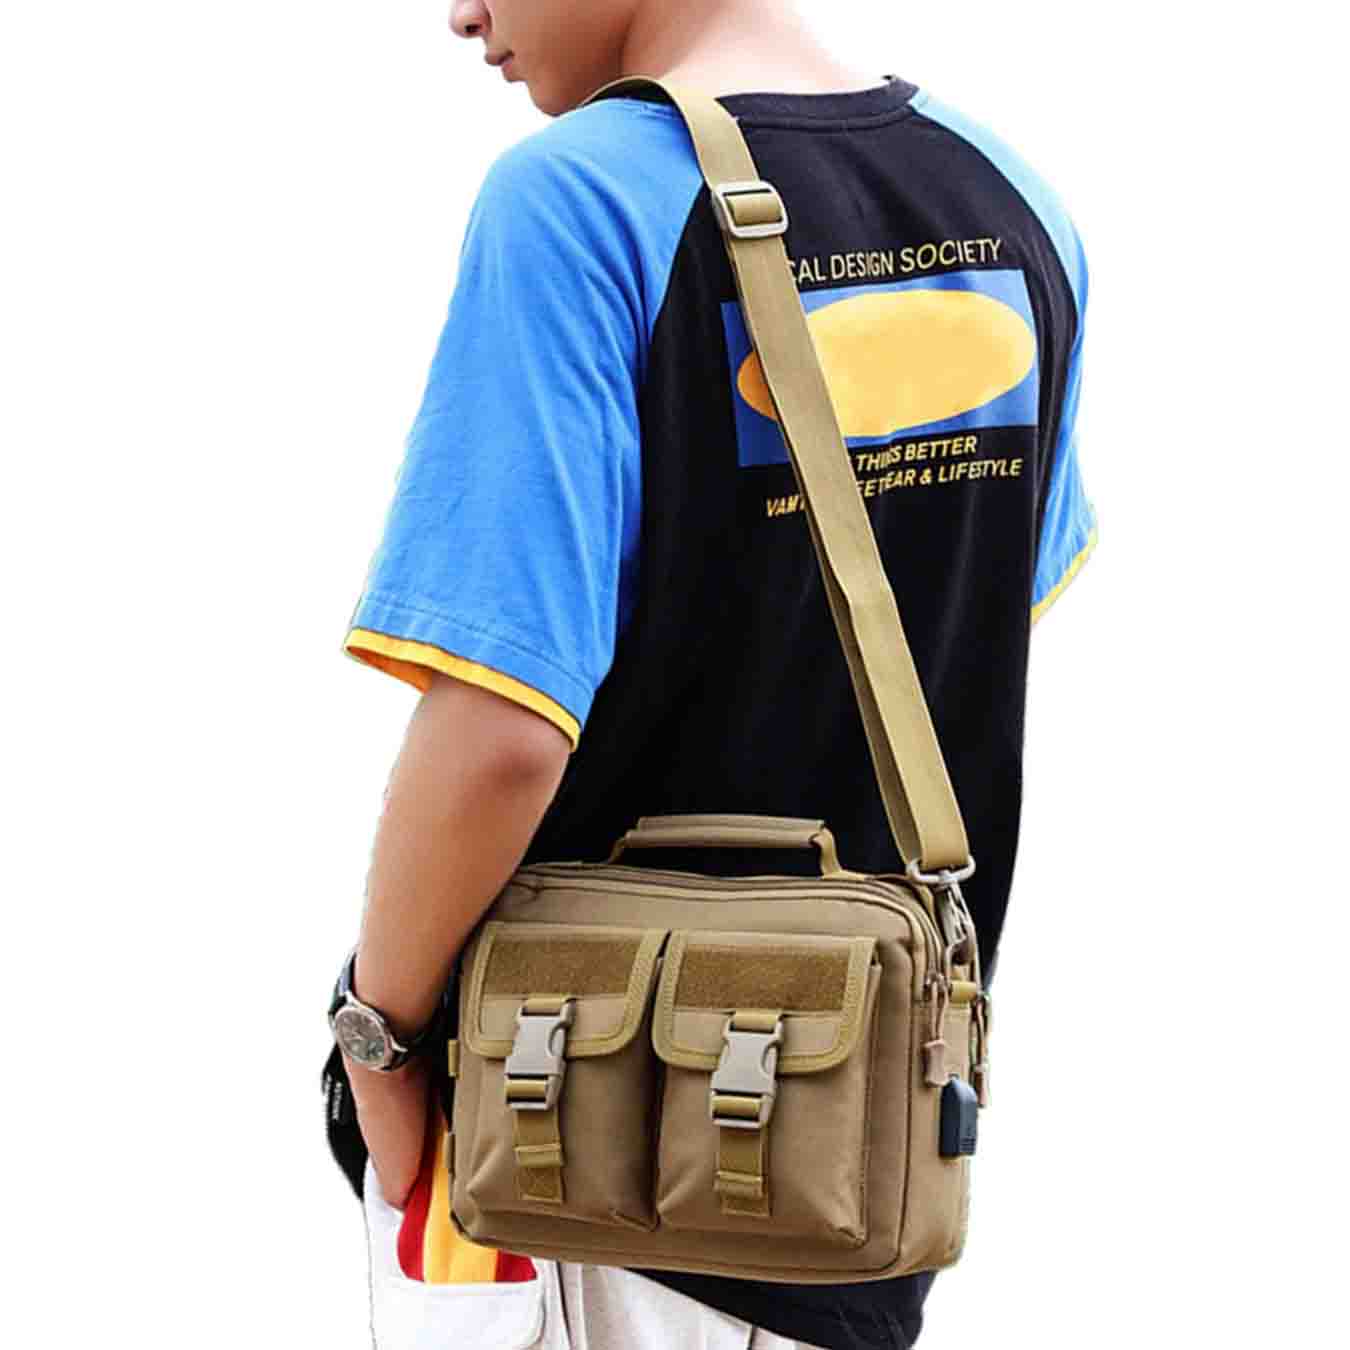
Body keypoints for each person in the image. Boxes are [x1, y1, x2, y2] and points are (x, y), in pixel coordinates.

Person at [323, 2, 1097, 1347]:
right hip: (862, 1173)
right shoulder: (1012, 204)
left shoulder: (577, 205)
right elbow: (967, 629)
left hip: (582, 1151)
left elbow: (503, 732)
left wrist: (377, 1040)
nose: (461, 12)